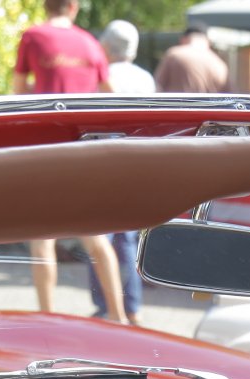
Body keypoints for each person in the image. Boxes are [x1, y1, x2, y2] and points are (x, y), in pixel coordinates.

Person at [13, 0, 127, 323]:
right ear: (73, 7)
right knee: (96, 237)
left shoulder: (33, 37)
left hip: (45, 149)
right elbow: (111, 95)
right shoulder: (90, 43)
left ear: (45, 6)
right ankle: (118, 315)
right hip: (82, 151)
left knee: (42, 239)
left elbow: (18, 92)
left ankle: (47, 318)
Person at [86, 19, 150, 324]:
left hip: (104, 162)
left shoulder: (101, 75)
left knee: (99, 237)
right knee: (127, 238)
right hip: (138, 163)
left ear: (106, 46)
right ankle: (132, 307)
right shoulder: (145, 79)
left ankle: (107, 306)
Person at [154, 27, 228, 95]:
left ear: (183, 39)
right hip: (208, 105)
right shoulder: (219, 64)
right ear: (208, 42)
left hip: (177, 104)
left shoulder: (174, 55)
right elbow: (229, 95)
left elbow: (158, 85)